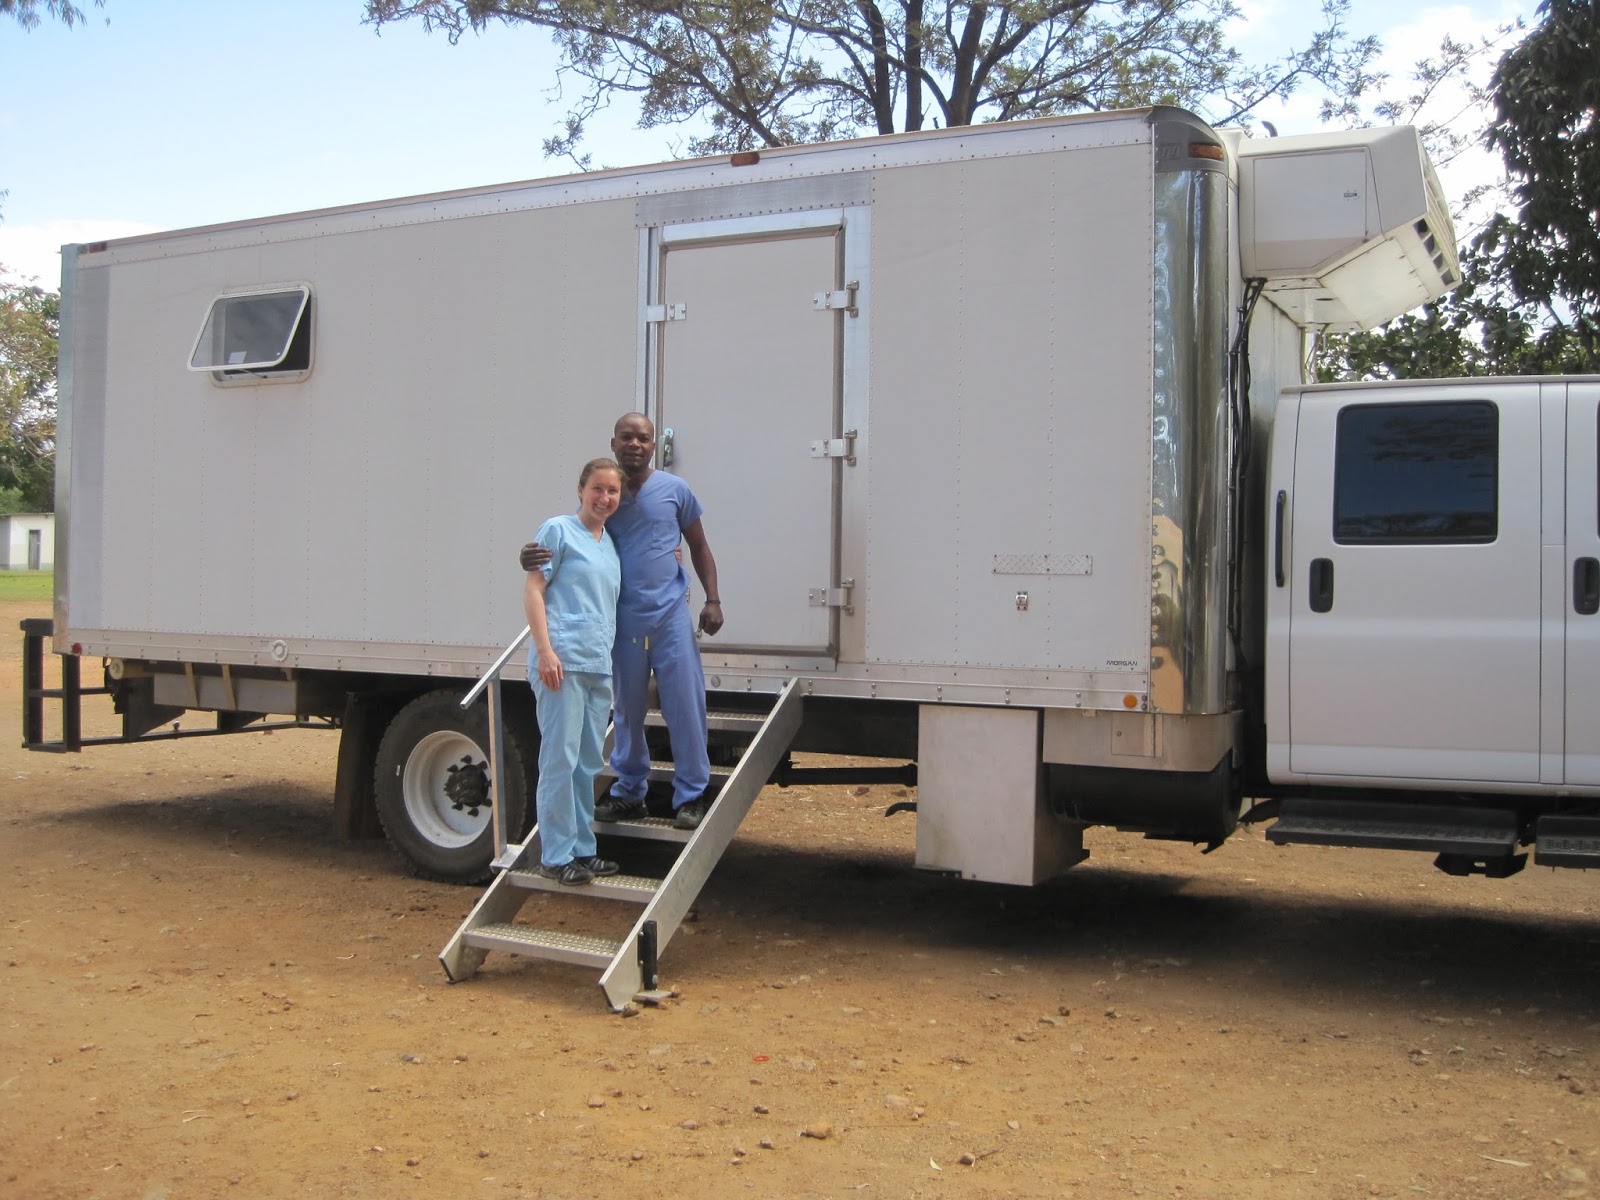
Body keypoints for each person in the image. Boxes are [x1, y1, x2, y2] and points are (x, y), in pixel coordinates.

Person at [521, 412, 723, 830]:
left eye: (644, 438)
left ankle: (691, 795)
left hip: (669, 616)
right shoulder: (604, 499)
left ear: (654, 446)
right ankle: (630, 792)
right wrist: (527, 557)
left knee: (685, 703)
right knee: (628, 709)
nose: (635, 444)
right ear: (613, 442)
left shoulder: (675, 490)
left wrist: (713, 599)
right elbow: (568, 539)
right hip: (622, 621)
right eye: (627, 437)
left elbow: (699, 545)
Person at [523, 457, 625, 885]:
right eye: (597, 489)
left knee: (586, 762)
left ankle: (583, 850)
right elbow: (533, 588)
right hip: (560, 666)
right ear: (581, 489)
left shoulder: (609, 542)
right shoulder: (558, 531)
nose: (604, 498)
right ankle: (556, 854)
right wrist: (545, 651)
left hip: (596, 666)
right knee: (559, 760)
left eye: (612, 491)